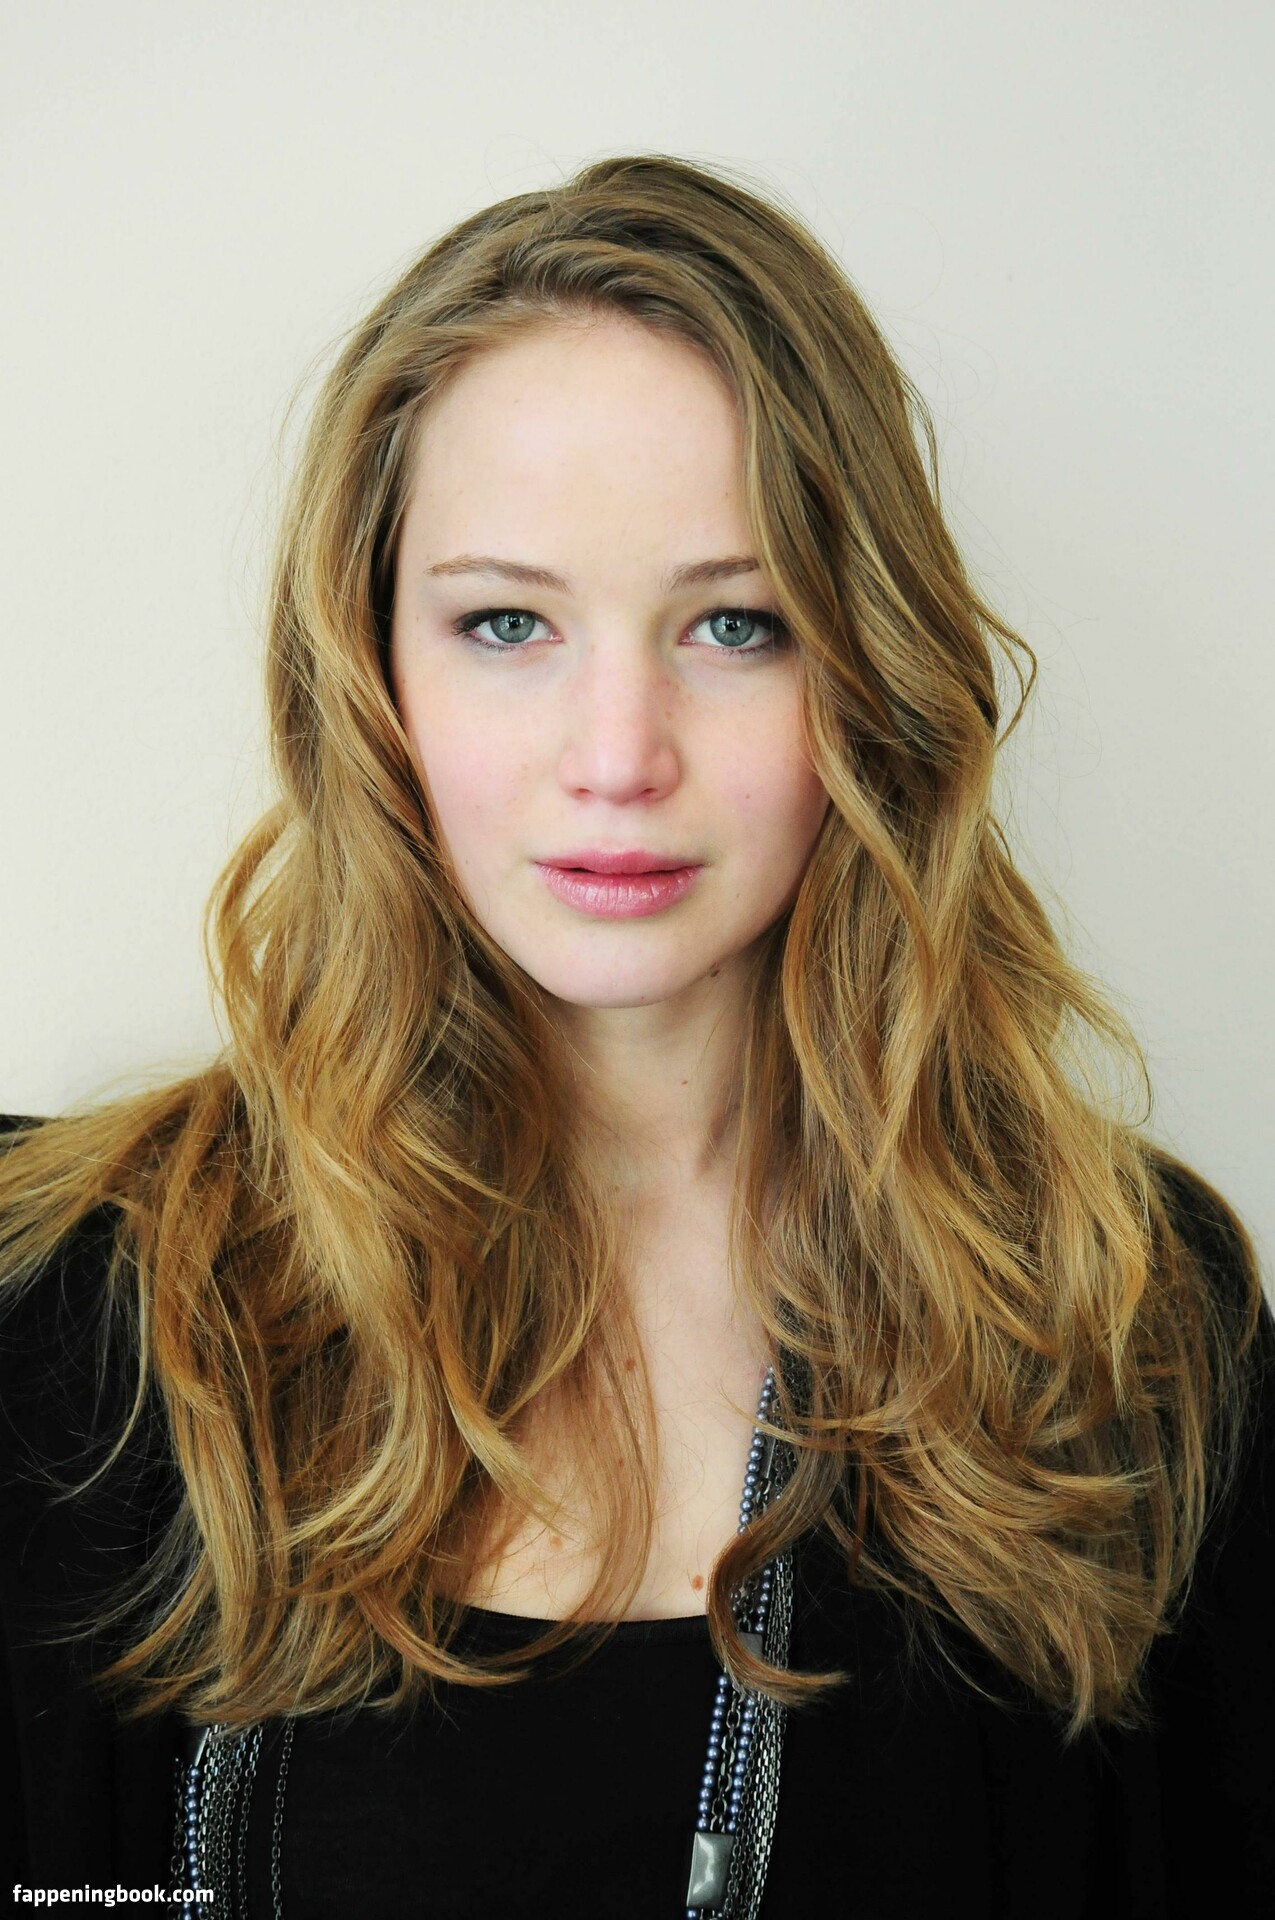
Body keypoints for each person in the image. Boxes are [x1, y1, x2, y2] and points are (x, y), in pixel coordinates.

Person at [1, 152, 1271, 1920]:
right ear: (372, 674)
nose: (619, 753)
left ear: (868, 670)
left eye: (735, 625)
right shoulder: (69, 1299)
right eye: (506, 623)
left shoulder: (1121, 1323)